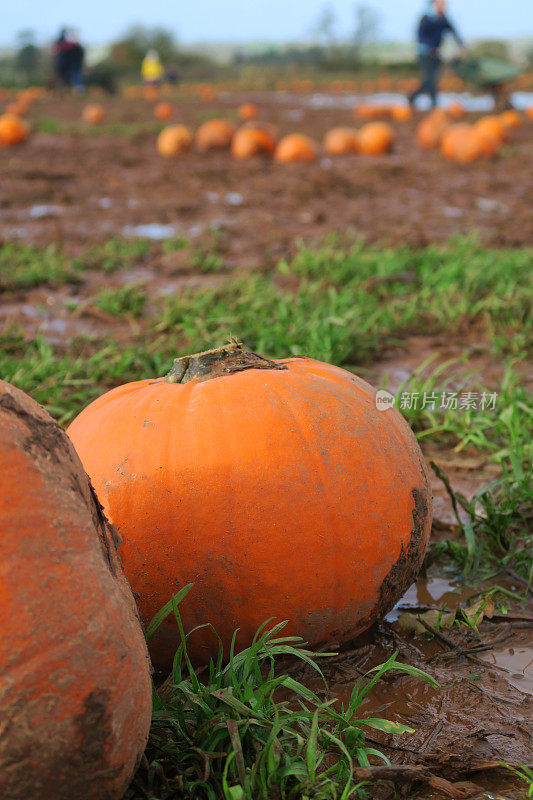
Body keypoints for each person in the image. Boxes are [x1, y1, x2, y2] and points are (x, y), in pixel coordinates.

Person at [409, 0, 464, 108]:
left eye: (444, 4)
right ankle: (415, 97)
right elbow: (421, 35)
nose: (443, 6)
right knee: (430, 79)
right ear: (434, 4)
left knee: (433, 79)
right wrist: (430, 47)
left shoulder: (443, 18)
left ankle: (431, 103)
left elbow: (453, 31)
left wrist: (461, 44)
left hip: (437, 53)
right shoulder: (426, 18)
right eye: (441, 4)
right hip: (425, 53)